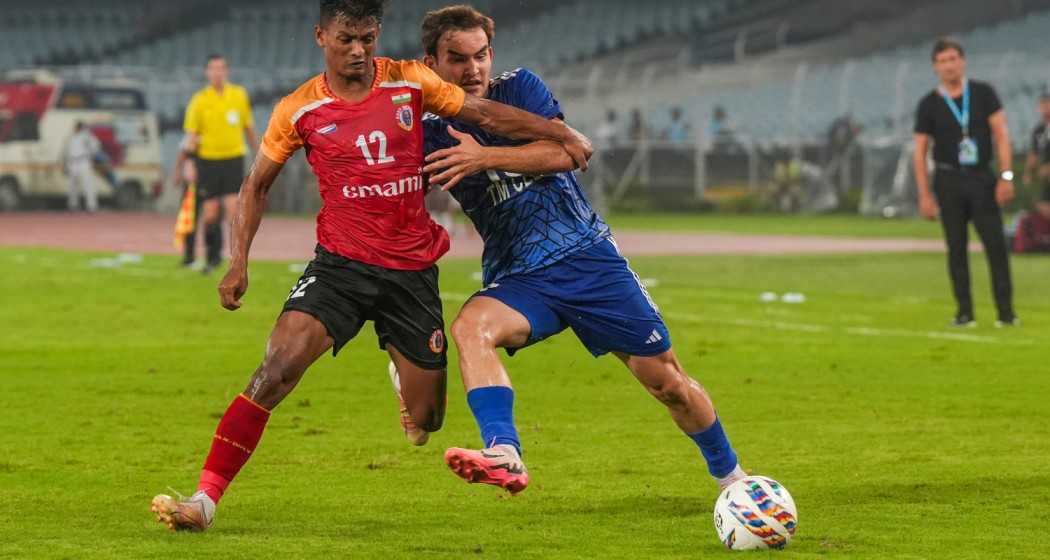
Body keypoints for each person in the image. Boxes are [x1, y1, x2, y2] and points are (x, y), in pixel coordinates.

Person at [150, 0, 592, 532]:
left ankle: (403, 382)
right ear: (321, 37)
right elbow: (257, 184)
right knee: (276, 368)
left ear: (377, 33)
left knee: (427, 422)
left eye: (366, 38)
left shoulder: (411, 81)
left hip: (411, 273)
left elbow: (484, 114)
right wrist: (237, 262)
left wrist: (558, 132)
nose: (358, 51)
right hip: (339, 266)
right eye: (345, 40)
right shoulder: (299, 108)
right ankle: (204, 499)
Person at [412, 4, 746, 495]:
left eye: (480, 55)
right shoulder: (427, 131)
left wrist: (483, 157)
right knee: (470, 328)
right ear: (432, 62)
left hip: (588, 259)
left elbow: (568, 152)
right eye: (458, 58)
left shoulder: (519, 87)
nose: (473, 69)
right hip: (520, 276)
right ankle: (504, 452)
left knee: (667, 383)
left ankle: (732, 477)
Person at [913, 37, 1017, 328]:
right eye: (942, 61)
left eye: (953, 59)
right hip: (948, 179)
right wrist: (924, 194)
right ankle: (964, 312)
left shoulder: (984, 94)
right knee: (955, 248)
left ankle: (1006, 313)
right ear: (935, 67)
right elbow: (920, 152)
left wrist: (1006, 176)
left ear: (963, 61)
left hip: (982, 177)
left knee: (995, 245)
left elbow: (1002, 136)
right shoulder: (929, 104)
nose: (948, 66)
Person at [181, 54, 257, 274]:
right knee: (211, 212)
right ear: (207, 72)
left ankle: (237, 260)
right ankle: (212, 258)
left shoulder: (239, 95)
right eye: (213, 68)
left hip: (233, 159)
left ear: (227, 71)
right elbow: (192, 135)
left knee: (234, 210)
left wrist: (259, 153)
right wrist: (189, 163)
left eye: (221, 68)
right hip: (208, 161)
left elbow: (248, 127)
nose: (217, 72)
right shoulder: (199, 100)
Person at [62, 122, 101, 212]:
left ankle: (91, 206)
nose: (75, 128)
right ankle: (73, 205)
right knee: (72, 186)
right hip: (72, 162)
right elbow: (66, 151)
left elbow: (96, 146)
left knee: (88, 184)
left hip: (83, 161)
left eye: (76, 127)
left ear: (80, 127)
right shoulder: (70, 137)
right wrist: (65, 164)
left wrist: (90, 155)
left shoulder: (87, 136)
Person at [1022, 92, 1050, 198]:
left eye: (1047, 105)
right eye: (1042, 106)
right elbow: (1033, 153)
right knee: (1043, 205)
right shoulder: (1038, 130)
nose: (1045, 109)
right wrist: (1028, 172)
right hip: (1045, 178)